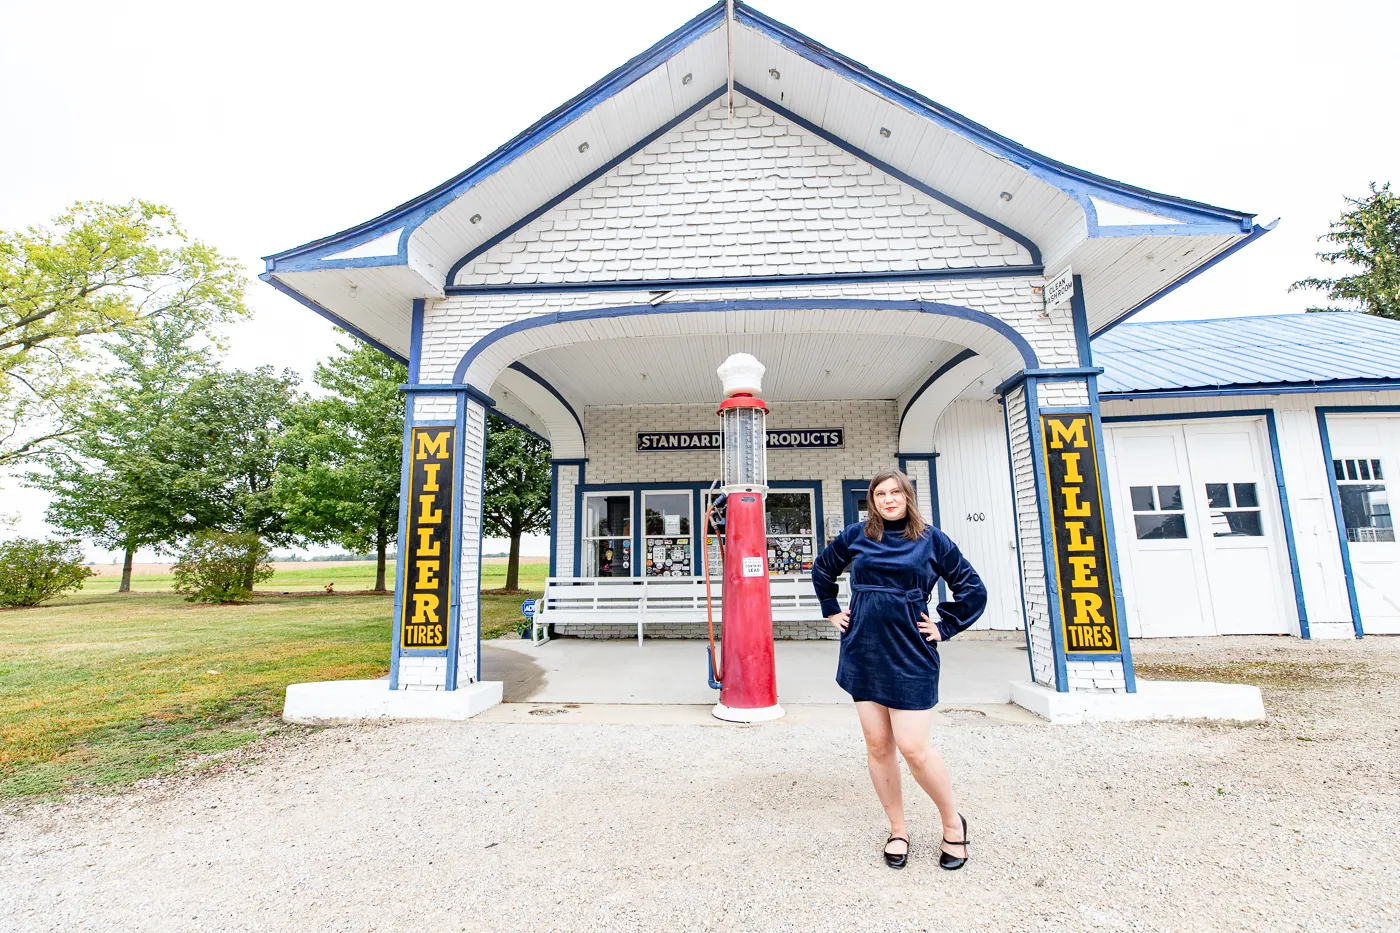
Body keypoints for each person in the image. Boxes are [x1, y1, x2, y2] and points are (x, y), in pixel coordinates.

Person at [810, 468, 987, 871]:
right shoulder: (857, 536)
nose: (888, 499)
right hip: (863, 650)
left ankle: (952, 824)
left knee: (914, 748)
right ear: (871, 500)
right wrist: (832, 609)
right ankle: (898, 828)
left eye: (895, 492)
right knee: (878, 745)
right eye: (879, 494)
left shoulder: (931, 539)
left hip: (910, 652)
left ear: (907, 496)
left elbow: (973, 589)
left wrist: (945, 626)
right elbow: (823, 570)